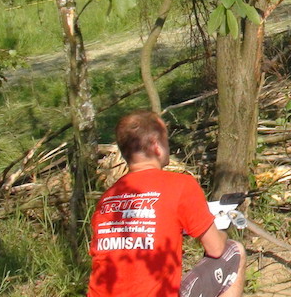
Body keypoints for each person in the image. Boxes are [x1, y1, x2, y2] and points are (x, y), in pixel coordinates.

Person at [88, 110, 246, 297]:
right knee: (235, 251)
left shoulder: (108, 198)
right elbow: (215, 248)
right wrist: (220, 232)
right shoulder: (180, 185)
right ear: (156, 145)